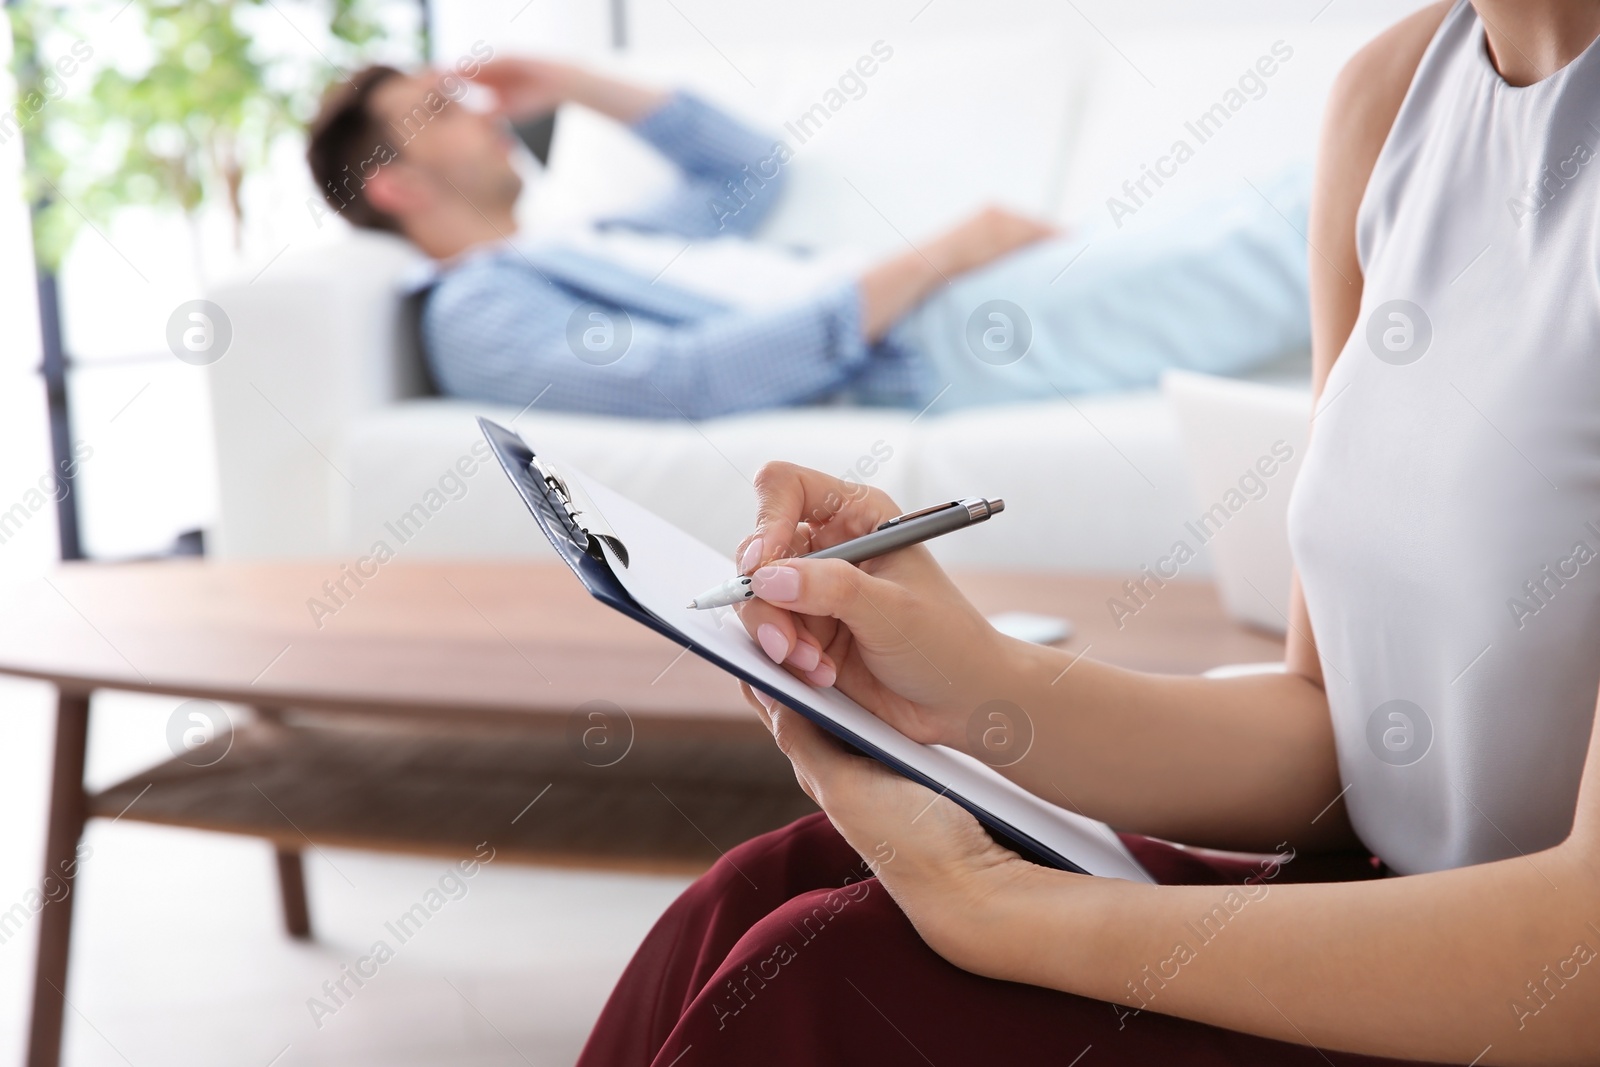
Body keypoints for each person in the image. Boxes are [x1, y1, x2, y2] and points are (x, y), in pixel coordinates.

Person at [575, 1, 1600, 1063]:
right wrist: (976, 684)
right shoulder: (1391, 96)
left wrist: (999, 910)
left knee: (829, 974)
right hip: (1400, 907)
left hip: (1525, 999)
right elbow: (1335, 738)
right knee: (778, 882)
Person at [305, 59, 1312, 418]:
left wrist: (574, 83)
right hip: (924, 332)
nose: (479, 110)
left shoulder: (589, 240)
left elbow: (748, 172)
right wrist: (935, 258)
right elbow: (681, 379)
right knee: (1280, 244)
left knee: (1278, 205)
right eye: (439, 110)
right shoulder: (476, 308)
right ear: (392, 183)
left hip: (938, 299)